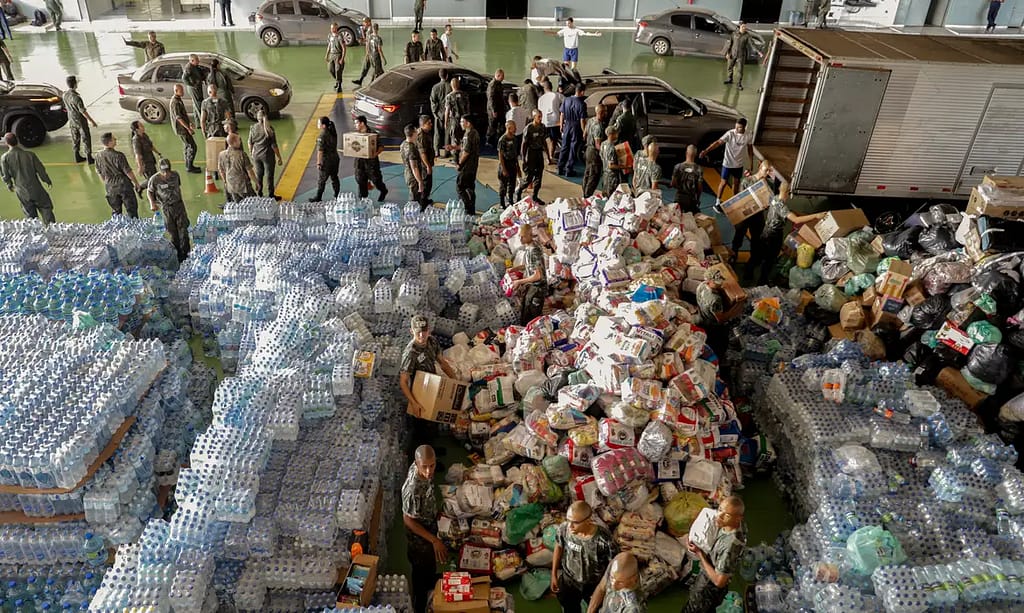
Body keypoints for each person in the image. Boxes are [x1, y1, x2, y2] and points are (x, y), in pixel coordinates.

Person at [749, 183, 825, 285]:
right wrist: (816, 216)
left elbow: (788, 212)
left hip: (766, 231)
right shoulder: (782, 206)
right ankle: (762, 281)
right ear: (788, 193)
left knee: (758, 255)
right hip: (774, 235)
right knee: (770, 260)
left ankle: (747, 273)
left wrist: (799, 214)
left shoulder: (775, 198)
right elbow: (796, 220)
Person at [681, 496, 747, 613]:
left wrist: (699, 554)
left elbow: (719, 582)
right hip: (708, 574)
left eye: (726, 515)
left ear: (738, 518)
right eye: (720, 509)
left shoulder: (730, 546)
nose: (719, 516)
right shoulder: (732, 525)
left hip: (709, 587)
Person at [401, 444, 447, 613]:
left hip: (428, 522)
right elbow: (408, 520)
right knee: (422, 573)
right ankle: (421, 604)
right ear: (416, 463)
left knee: (428, 570)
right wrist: (434, 540)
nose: (429, 471)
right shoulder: (413, 489)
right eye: (425, 467)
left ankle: (429, 584)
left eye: (432, 465)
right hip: (419, 539)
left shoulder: (423, 471)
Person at [551, 500, 617, 613]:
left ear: (588, 521)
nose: (570, 526)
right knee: (569, 608)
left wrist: (607, 588)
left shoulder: (603, 539)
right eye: (568, 520)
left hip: (594, 585)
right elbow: (559, 546)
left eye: (575, 522)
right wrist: (554, 574)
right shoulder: (564, 528)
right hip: (569, 581)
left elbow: (614, 564)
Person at [1, 132, 55, 224]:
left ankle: (36, 233)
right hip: (36, 189)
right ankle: (51, 229)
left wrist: (9, 185)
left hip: (21, 191)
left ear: (7, 143)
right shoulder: (30, 155)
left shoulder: (4, 158)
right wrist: (47, 180)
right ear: (17, 141)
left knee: (30, 215)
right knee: (46, 207)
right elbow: (41, 170)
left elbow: (5, 175)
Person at [699, 118, 752, 208]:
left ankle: (734, 200)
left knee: (736, 183)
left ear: (744, 127)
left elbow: (750, 149)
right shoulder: (730, 134)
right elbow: (717, 143)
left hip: (738, 164)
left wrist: (751, 165)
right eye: (736, 127)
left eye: (739, 128)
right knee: (723, 183)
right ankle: (718, 201)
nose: (737, 129)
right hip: (727, 163)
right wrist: (706, 151)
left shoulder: (748, 135)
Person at [147, 158, 191, 263]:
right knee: (173, 233)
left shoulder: (175, 175)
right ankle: (177, 255)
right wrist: (152, 203)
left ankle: (186, 254)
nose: (166, 174)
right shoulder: (154, 179)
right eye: (164, 172)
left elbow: (178, 187)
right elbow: (150, 192)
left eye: (168, 171)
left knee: (183, 231)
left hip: (179, 206)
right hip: (167, 208)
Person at [94, 132, 142, 218]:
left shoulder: (98, 156)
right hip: (124, 186)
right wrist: (136, 183)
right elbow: (128, 171)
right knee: (132, 210)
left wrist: (107, 182)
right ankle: (133, 228)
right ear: (109, 142)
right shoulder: (119, 155)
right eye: (114, 139)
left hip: (110, 187)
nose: (116, 140)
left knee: (116, 212)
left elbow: (99, 172)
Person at [447, 114, 479, 215]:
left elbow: (466, 152)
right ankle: (472, 209)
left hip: (467, 166)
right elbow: (464, 146)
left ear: (468, 123)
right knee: (470, 187)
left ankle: (466, 208)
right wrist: (454, 147)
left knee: (460, 187)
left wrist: (459, 164)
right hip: (473, 166)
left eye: (462, 122)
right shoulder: (474, 133)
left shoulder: (468, 134)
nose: (460, 123)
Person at [353, 115, 388, 202]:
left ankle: (383, 190)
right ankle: (363, 199)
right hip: (359, 162)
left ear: (362, 123)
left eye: (356, 123)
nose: (355, 125)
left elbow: (381, 146)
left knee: (376, 180)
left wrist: (375, 154)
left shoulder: (373, 134)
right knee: (360, 181)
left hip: (371, 163)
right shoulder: (356, 135)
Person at [248, 110, 283, 199]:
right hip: (267, 155)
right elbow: (274, 145)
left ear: (257, 117)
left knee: (259, 175)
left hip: (256, 155)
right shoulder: (269, 129)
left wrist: (251, 153)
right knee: (269, 176)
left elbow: (250, 142)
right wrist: (279, 157)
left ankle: (259, 193)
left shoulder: (253, 128)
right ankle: (271, 195)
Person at [63, 76, 97, 164]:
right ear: (75, 83)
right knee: (86, 138)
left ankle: (77, 156)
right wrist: (92, 121)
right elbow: (83, 111)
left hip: (71, 120)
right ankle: (89, 158)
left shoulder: (64, 95)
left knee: (75, 138)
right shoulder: (77, 98)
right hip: (80, 121)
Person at [517, 109, 547, 204]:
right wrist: (523, 157)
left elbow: (543, 141)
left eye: (541, 116)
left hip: (538, 153)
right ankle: (519, 191)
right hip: (530, 153)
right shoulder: (529, 128)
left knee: (539, 176)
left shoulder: (542, 127)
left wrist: (548, 156)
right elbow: (524, 144)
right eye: (539, 117)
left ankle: (535, 196)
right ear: (534, 117)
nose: (540, 119)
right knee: (528, 178)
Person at [169, 84, 201, 174]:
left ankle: (189, 165)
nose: (183, 92)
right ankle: (189, 166)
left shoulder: (178, 100)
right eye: (181, 90)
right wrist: (188, 128)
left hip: (183, 128)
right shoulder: (175, 102)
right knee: (192, 146)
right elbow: (178, 118)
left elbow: (183, 114)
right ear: (176, 91)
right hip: (181, 129)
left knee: (187, 146)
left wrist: (189, 122)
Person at [218, 133, 256, 203]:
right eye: (238, 140)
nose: (240, 142)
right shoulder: (242, 155)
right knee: (253, 202)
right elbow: (250, 172)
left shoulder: (221, 154)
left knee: (238, 205)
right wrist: (256, 182)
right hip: (243, 185)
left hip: (231, 185)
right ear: (234, 142)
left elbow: (221, 170)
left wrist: (225, 181)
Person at [558, 84, 586, 177]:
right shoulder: (582, 104)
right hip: (576, 127)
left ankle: (560, 167)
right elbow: (582, 120)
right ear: (582, 92)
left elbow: (562, 114)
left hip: (567, 125)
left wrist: (561, 125)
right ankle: (569, 170)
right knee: (573, 148)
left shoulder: (566, 100)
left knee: (564, 147)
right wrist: (584, 132)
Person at [723, 23, 762, 91]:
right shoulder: (734, 34)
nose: (744, 28)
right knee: (730, 67)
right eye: (743, 26)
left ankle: (739, 84)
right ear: (740, 27)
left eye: (745, 27)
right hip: (733, 53)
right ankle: (730, 79)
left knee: (740, 70)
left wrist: (758, 52)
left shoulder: (747, 36)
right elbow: (730, 44)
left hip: (741, 55)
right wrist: (728, 53)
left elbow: (752, 45)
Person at [582, 103, 608, 197]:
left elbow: (584, 134)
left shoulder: (590, 120)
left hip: (588, 150)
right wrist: (604, 155)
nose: (606, 113)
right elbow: (598, 145)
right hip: (594, 153)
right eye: (605, 111)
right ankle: (587, 195)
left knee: (587, 172)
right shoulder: (599, 126)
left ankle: (584, 191)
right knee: (594, 175)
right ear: (601, 112)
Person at [310, 116, 339, 202]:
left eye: (319, 123)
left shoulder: (322, 136)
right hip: (335, 158)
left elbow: (320, 151)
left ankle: (318, 197)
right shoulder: (333, 133)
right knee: (334, 177)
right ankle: (337, 195)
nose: (317, 124)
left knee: (322, 180)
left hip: (326, 161)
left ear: (323, 126)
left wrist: (319, 162)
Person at [671, 145, 704, 214]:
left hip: (679, 198)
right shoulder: (698, 169)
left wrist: (680, 188)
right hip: (691, 199)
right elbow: (699, 187)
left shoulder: (678, 167)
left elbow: (673, 183)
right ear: (695, 154)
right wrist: (698, 199)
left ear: (686, 153)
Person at [130, 120, 161, 190]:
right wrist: (140, 167)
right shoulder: (136, 140)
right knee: (152, 180)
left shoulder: (144, 135)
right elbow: (138, 155)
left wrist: (158, 153)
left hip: (151, 160)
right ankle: (140, 187)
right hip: (145, 163)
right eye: (141, 125)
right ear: (137, 129)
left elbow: (151, 145)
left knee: (153, 178)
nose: (143, 126)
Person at [538, 79, 563, 166]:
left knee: (545, 140)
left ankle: (547, 157)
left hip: (543, 121)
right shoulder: (557, 95)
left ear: (544, 88)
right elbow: (566, 101)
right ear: (552, 87)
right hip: (554, 121)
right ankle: (551, 157)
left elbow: (539, 111)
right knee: (554, 140)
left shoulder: (540, 99)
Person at [401, 123, 426, 205]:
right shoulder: (411, 149)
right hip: (413, 176)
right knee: (414, 198)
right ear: (413, 133)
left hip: (407, 172)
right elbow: (414, 167)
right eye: (416, 131)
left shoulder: (403, 144)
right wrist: (420, 181)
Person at [496, 120, 520, 209]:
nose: (516, 129)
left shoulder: (514, 139)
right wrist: (504, 169)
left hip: (513, 164)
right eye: (514, 127)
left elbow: (515, 154)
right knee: (503, 185)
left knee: (512, 184)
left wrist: (518, 168)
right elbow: (500, 156)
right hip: (505, 164)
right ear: (509, 128)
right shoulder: (503, 139)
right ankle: (502, 202)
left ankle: (510, 200)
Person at [442, 76, 469, 151]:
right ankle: (464, 153)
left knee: (455, 139)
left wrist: (445, 122)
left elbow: (447, 110)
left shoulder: (449, 96)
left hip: (455, 120)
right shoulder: (465, 95)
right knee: (464, 137)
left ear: (451, 86)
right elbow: (468, 108)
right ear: (458, 85)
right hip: (464, 120)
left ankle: (455, 157)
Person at [428, 69, 450, 156]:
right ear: (447, 75)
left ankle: (436, 151)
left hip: (439, 113)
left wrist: (435, 113)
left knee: (437, 133)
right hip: (448, 113)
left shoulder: (435, 87)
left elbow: (433, 101)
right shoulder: (450, 86)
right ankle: (447, 151)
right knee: (447, 134)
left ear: (439, 76)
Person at [415, 115, 435, 209]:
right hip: (423, 165)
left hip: (427, 162)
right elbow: (422, 153)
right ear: (423, 124)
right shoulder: (421, 135)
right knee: (426, 184)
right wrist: (428, 166)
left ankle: (425, 199)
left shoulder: (426, 133)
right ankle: (422, 204)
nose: (431, 124)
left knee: (429, 184)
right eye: (429, 123)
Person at [600, 126, 626, 196]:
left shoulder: (603, 144)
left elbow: (602, 156)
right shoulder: (611, 148)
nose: (617, 135)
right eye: (615, 133)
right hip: (612, 177)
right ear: (611, 134)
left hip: (605, 174)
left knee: (605, 195)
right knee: (611, 196)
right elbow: (611, 165)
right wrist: (624, 167)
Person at [183, 54, 207, 127]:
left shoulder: (194, 66)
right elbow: (184, 78)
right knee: (199, 105)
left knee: (195, 105)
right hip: (194, 89)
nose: (198, 61)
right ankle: (203, 123)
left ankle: (198, 123)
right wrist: (193, 85)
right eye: (197, 60)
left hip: (197, 87)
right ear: (192, 60)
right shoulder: (189, 68)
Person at [486, 69, 507, 148]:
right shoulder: (492, 85)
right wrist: (493, 110)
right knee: (492, 125)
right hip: (494, 109)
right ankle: (489, 140)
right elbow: (491, 98)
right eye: (502, 76)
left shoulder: (499, 84)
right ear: (498, 75)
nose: (503, 78)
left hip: (500, 108)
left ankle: (499, 139)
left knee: (501, 124)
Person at [325, 22, 347, 92]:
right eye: (331, 28)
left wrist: (342, 58)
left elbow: (344, 48)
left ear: (336, 28)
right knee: (330, 69)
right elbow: (329, 45)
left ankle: (339, 85)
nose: (331, 29)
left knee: (338, 70)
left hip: (338, 55)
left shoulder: (339, 36)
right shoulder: (330, 36)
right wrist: (327, 54)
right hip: (332, 54)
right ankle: (337, 81)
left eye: (333, 28)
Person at [351, 17, 374, 86]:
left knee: (376, 68)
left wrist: (367, 52)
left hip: (371, 52)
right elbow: (367, 41)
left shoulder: (370, 31)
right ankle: (360, 80)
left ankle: (373, 82)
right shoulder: (368, 30)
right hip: (369, 51)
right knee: (365, 66)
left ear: (369, 22)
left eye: (365, 22)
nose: (364, 24)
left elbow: (369, 42)